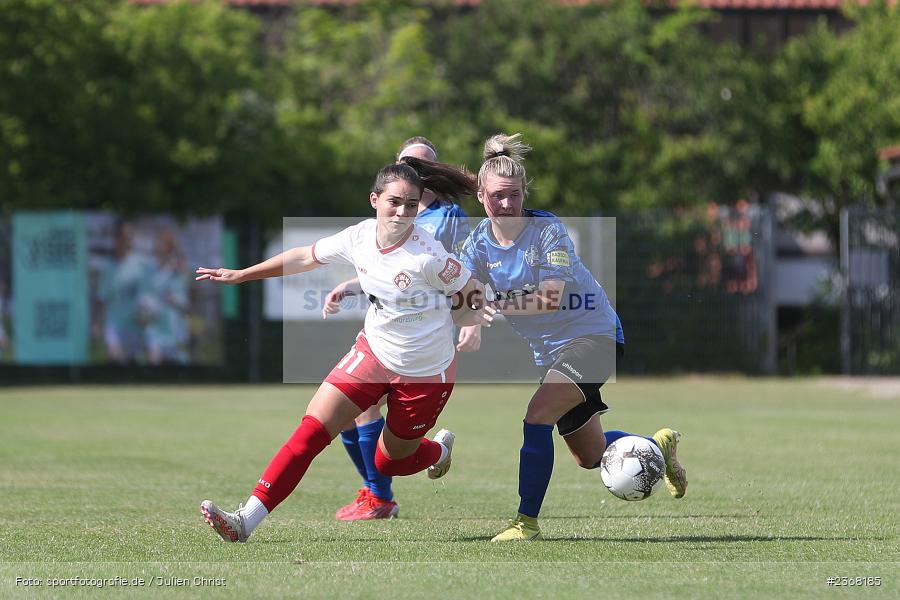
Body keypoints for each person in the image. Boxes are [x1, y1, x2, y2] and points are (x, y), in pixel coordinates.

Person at [195, 159, 489, 543]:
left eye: (412, 205)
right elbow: (304, 256)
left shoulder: (428, 256)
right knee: (311, 431)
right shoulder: (360, 236)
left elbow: (473, 296)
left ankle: (435, 453)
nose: (402, 212)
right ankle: (244, 520)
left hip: (425, 373)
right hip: (373, 354)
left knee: (390, 461)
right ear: (374, 200)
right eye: (394, 202)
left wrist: (470, 324)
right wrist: (242, 274)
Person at [458, 133, 688, 542]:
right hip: (549, 352)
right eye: (497, 196)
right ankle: (655, 447)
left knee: (537, 415)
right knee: (591, 457)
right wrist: (471, 317)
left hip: (595, 337)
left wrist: (494, 304)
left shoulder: (547, 230)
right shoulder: (477, 243)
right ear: (480, 195)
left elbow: (549, 299)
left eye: (514, 195)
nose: (507, 204)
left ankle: (525, 523)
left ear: (525, 192)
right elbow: (466, 293)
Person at [322, 136, 481, 521]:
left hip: (423, 331)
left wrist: (475, 324)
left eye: (424, 164)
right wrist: (352, 284)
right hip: (387, 324)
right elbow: (391, 268)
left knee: (361, 410)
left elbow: (438, 272)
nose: (416, 169)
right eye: (409, 162)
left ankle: (380, 495)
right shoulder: (396, 210)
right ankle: (377, 493)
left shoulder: (444, 216)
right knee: (350, 413)